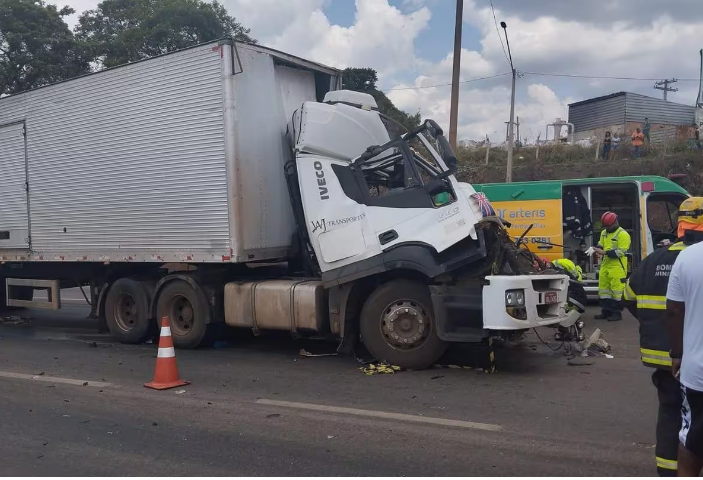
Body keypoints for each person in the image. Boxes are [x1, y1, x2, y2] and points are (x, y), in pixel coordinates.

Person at [622, 197, 703, 476]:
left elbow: (629, 297)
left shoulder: (655, 259)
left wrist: (651, 323)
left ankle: (668, 470)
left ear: (680, 224)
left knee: (671, 414)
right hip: (689, 359)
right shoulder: (693, 259)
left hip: (661, 356)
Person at [665, 197, 703, 477]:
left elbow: (674, 309)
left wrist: (677, 354)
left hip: (698, 372)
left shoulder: (687, 257)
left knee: (691, 441)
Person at [594, 211, 631, 321]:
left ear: (615, 222)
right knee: (604, 290)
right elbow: (601, 244)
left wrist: (604, 252)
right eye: (605, 226)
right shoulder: (604, 232)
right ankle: (605, 312)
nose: (606, 228)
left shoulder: (623, 235)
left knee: (617, 292)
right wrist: (596, 249)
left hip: (617, 267)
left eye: (608, 225)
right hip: (605, 265)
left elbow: (621, 252)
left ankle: (616, 313)